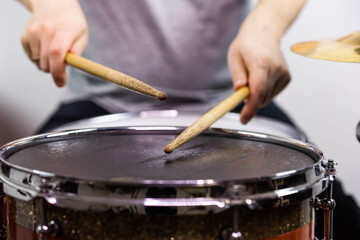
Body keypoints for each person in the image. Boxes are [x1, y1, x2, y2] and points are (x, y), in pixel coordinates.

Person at [17, 0, 360, 238]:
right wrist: (49, 6)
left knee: (342, 219)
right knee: (20, 205)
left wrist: (264, 29)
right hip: (98, 103)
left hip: (231, 101)